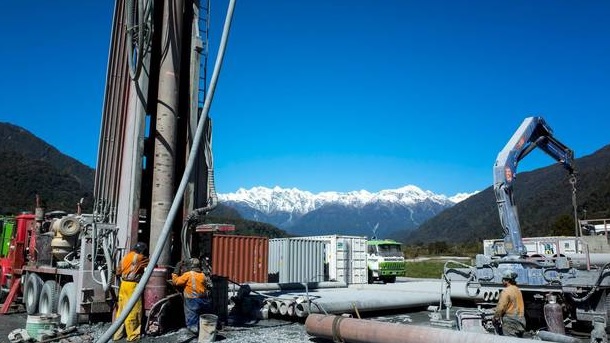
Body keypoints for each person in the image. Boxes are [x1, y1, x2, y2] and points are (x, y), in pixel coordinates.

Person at [113, 242, 150, 341]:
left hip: (123, 284)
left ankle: (117, 334)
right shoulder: (139, 257)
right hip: (132, 286)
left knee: (121, 311)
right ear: (142, 251)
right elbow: (151, 263)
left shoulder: (126, 257)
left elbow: (118, 271)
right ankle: (133, 336)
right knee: (134, 311)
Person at [171, 257, 212, 333]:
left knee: (192, 318)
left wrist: (176, 271)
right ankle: (204, 330)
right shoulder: (203, 275)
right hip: (204, 300)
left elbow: (176, 282)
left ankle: (194, 330)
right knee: (202, 316)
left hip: (192, 300)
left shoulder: (188, 274)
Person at [493, 269, 526, 337]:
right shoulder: (518, 290)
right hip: (521, 320)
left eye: (503, 279)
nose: (502, 281)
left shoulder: (506, 291)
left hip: (510, 322)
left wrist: (496, 317)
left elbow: (500, 307)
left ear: (507, 280)